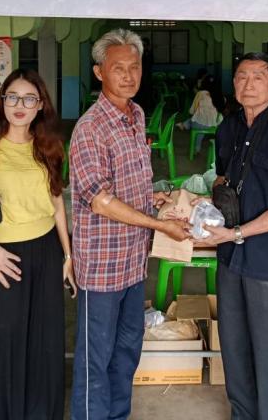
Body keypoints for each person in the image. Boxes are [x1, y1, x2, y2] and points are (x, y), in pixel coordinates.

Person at [69, 28, 189, 420]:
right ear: (99, 72)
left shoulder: (135, 115)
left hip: (134, 263)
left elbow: (125, 185)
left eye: (134, 67)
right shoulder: (90, 128)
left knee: (126, 351)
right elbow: (100, 200)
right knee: (96, 358)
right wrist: (159, 226)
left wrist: (153, 199)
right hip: (102, 266)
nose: (128, 75)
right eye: (118, 68)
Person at [193, 52, 268, 420]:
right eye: (242, 76)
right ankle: (242, 413)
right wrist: (204, 205)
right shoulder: (228, 128)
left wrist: (236, 232)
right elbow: (222, 179)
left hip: (266, 257)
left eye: (258, 77)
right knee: (233, 342)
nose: (248, 84)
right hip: (230, 255)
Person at [0, 68, 74, 420]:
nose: (20, 105)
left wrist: (67, 255)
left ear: (40, 105)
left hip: (46, 249)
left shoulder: (49, 146)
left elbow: (57, 202)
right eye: (12, 97)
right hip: (3, 253)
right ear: (2, 102)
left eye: (29, 99)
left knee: (45, 339)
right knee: (4, 339)